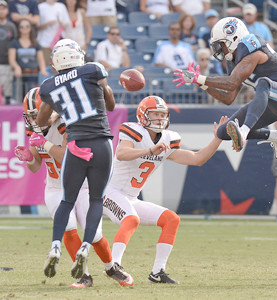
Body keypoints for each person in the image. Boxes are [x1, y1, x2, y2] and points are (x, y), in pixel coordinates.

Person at [102, 95, 227, 284]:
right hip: (110, 192)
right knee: (131, 219)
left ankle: (157, 272)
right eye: (155, 114)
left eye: (162, 114)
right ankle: (114, 265)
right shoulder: (134, 131)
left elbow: (197, 159)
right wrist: (150, 151)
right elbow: (121, 153)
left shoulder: (168, 139)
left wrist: (217, 139)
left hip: (131, 197)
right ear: (143, 115)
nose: (159, 119)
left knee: (171, 219)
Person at [14, 87, 131, 288]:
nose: (36, 120)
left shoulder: (68, 125)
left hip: (82, 186)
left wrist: (45, 144)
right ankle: (84, 276)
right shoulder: (35, 129)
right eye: (32, 116)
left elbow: (69, 158)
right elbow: (35, 167)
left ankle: (111, 267)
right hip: (55, 188)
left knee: (94, 235)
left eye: (38, 114)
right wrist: (29, 158)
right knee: (68, 229)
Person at [36, 38, 118, 282]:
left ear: (56, 62)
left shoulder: (48, 86)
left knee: (66, 201)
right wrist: (105, 88)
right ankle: (85, 247)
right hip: (100, 143)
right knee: (95, 200)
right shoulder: (93, 69)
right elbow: (110, 104)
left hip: (75, 145)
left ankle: (55, 246)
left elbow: (41, 121)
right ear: (78, 56)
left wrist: (59, 111)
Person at [173, 17, 277, 158]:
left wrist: (198, 77)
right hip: (270, 103)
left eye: (221, 44)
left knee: (263, 83)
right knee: (223, 132)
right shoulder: (235, 60)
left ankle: (243, 131)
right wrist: (201, 84)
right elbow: (229, 97)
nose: (219, 50)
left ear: (234, 37)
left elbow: (231, 82)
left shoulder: (251, 46)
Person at [8, 18, 48, 98]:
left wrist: (43, 70)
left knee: (32, 98)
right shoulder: (14, 42)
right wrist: (16, 67)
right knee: (19, 98)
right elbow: (11, 59)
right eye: (21, 27)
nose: (24, 28)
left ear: (30, 28)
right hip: (20, 75)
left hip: (33, 74)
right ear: (19, 29)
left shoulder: (35, 43)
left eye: (27, 26)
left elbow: (40, 59)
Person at [37, 0, 71, 67]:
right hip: (44, 42)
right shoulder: (40, 7)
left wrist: (61, 23)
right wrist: (47, 24)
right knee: (46, 66)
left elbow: (67, 25)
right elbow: (37, 26)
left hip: (59, 43)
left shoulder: (61, 6)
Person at [0, 0, 18, 105]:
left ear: (7, 11)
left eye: (3, 9)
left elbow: (15, 44)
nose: (1, 11)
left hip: (7, 62)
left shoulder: (11, 26)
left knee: (7, 90)